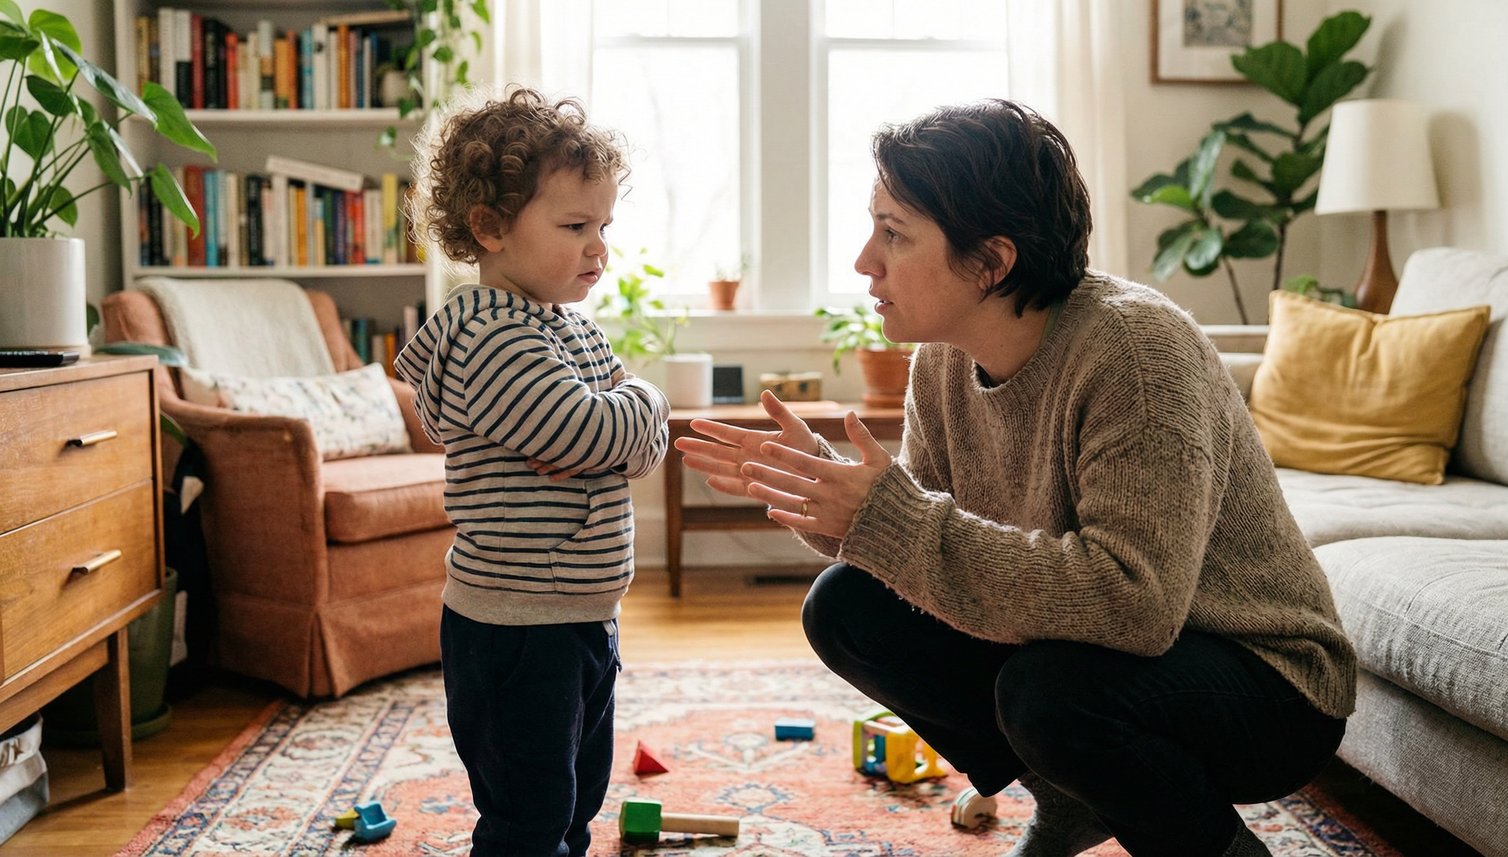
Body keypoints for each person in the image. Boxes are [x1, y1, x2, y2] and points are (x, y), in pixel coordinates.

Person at [675, 99, 1356, 857]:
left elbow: (1136, 603)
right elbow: (936, 546)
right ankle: (1069, 795)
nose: (866, 261)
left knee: (1047, 694)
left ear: (992, 262)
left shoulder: (1137, 351)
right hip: (1097, 653)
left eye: (894, 233)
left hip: (1263, 681)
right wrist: (831, 501)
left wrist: (887, 518)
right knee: (848, 607)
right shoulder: (943, 355)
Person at [395, 86, 669, 856]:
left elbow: (639, 447)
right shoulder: (491, 337)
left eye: (604, 225)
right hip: (518, 625)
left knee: (575, 797)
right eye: (575, 226)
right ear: (489, 228)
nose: (599, 247)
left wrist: (634, 407)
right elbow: (588, 431)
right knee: (528, 814)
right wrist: (635, 406)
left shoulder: (565, 329)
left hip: (579, 610)